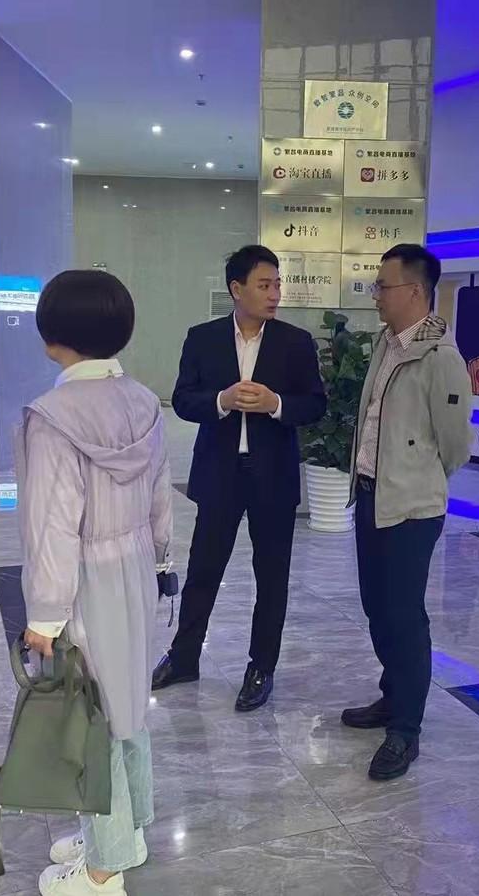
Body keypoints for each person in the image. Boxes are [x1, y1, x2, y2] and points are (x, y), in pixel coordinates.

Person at [17, 270, 173, 896]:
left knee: (91, 716)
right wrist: (159, 561)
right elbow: (161, 494)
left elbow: (52, 523)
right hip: (134, 566)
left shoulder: (52, 416)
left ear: (51, 336)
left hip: (85, 578)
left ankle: (105, 870)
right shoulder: (143, 401)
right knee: (127, 705)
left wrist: (44, 613)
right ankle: (125, 832)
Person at [151, 245, 326, 711]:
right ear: (236, 288)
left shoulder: (295, 342)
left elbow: (315, 404)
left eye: (277, 284)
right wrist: (222, 400)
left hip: (274, 476)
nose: (274, 294)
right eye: (264, 285)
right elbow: (183, 399)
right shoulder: (203, 338)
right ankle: (184, 657)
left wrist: (277, 405)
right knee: (204, 571)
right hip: (220, 473)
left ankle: (261, 667)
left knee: (272, 577)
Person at [342, 243, 473, 781]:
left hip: (412, 508)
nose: (376, 294)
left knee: (403, 615)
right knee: (377, 607)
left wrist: (419, 479)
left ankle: (406, 730)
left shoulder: (441, 359)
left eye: (383, 286)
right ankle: (393, 695)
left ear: (415, 291)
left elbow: (456, 443)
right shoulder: (386, 344)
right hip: (372, 495)